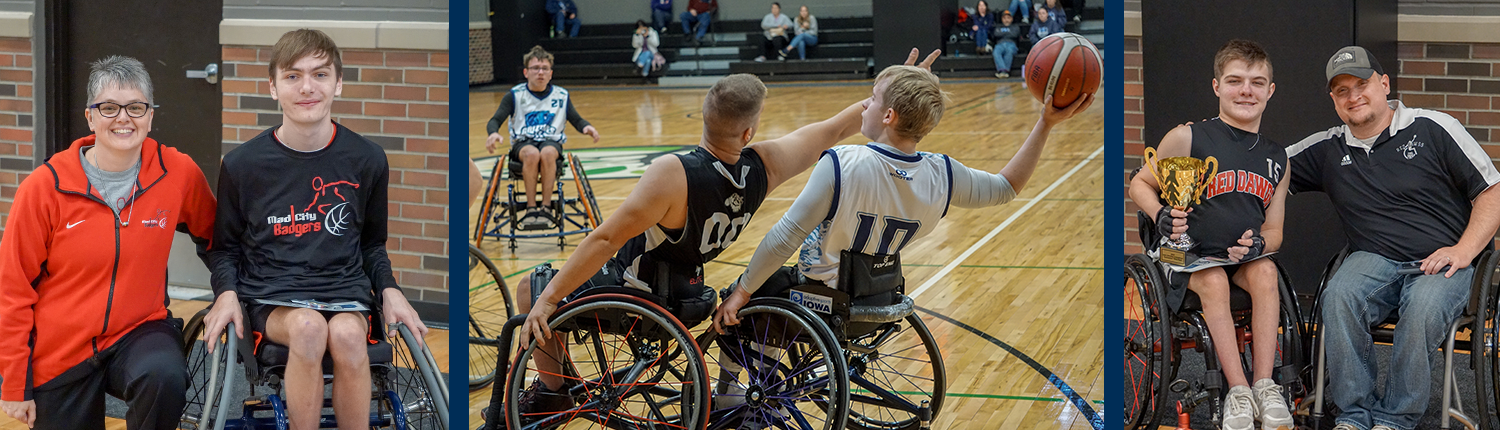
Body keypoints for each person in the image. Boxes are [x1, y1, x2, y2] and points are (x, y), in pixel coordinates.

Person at [504, 49, 945, 424]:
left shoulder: (672, 173)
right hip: (693, 295)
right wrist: (898, 93)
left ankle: (553, 391)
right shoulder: (763, 167)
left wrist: (548, 300)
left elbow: (604, 241)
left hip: (639, 296)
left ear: (703, 114)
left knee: (530, 287)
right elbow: (832, 130)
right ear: (749, 132)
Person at [713, 53, 1094, 352]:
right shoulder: (942, 174)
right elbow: (1006, 186)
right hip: (878, 295)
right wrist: (1045, 123)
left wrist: (744, 291)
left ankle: (736, 401)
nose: (865, 106)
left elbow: (785, 237)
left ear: (890, 114)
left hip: (822, 298)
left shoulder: (843, 163)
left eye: (873, 99)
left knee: (736, 308)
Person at [201, 29, 429, 430]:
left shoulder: (367, 159)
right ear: (273, 87)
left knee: (346, 335)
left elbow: (372, 244)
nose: (307, 87)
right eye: (292, 76)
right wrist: (225, 294)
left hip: (344, 291)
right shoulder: (242, 165)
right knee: (308, 327)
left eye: (320, 74)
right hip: (272, 297)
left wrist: (390, 289)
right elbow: (224, 249)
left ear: (338, 83)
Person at [1289, 46, 1500, 430]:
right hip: (1374, 258)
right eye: (1341, 90)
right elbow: (1263, 171)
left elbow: (1491, 191)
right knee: (1338, 296)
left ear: (1384, 84)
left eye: (1362, 84)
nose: (1353, 96)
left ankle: (1395, 419)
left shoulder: (1434, 127)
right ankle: (1353, 415)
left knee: (1421, 308)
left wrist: (1464, 250)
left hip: (1443, 258)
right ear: (1333, 99)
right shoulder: (1327, 149)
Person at [0, 56, 215, 430]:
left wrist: (228, 291)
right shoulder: (44, 187)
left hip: (140, 330)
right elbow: (12, 289)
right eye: (109, 108)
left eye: (135, 107)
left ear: (150, 116)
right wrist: (15, 383)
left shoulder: (176, 172)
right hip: (62, 350)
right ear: (90, 118)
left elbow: (220, 238)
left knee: (164, 376)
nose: (123, 118)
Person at [1127, 39, 1293, 430]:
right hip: (1177, 255)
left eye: (1257, 82)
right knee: (1214, 281)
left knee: (1266, 271)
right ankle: (1238, 390)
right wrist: (1160, 213)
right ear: (1217, 86)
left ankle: (1265, 386)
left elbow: (1275, 231)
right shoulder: (1188, 138)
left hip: (1236, 258)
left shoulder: (1277, 158)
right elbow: (1140, 184)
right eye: (1235, 80)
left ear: (1270, 91)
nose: (1246, 90)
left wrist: (1258, 245)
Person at [484, 46, 601, 229]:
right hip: (523, 143)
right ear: (526, 72)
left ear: (550, 73)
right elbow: (495, 119)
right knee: (532, 154)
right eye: (535, 68)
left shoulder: (561, 95)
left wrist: (587, 127)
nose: (540, 72)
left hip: (551, 141)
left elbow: (576, 119)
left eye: (544, 68)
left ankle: (546, 208)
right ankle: (532, 209)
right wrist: (493, 133)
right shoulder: (515, 95)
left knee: (547, 153)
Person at [992, 10, 1020, 78]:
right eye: (1004, 18)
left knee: (1009, 51)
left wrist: (1003, 34)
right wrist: (1008, 33)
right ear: (1002, 19)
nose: (1006, 20)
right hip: (1000, 44)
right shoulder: (998, 26)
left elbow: (1015, 34)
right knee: (996, 51)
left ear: (1011, 19)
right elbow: (996, 34)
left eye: (1008, 18)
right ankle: (1003, 70)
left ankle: (1005, 71)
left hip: (1011, 44)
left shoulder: (1015, 27)